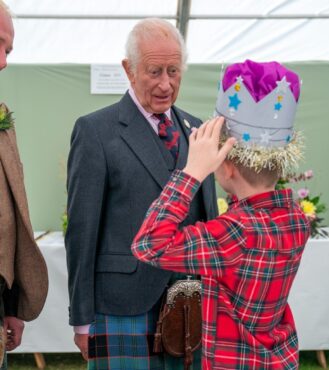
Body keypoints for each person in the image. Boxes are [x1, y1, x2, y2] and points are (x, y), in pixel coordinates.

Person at [132, 60, 311, 369]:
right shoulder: (295, 218)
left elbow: (148, 244)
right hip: (280, 360)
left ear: (225, 165)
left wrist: (191, 172)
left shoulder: (234, 232)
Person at [65, 18, 217, 369]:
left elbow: (208, 217)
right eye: (154, 72)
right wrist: (82, 317)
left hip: (190, 304)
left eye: (174, 71)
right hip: (120, 305)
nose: (166, 84)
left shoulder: (198, 131)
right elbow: (82, 231)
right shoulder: (96, 131)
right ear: (128, 70)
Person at [0, 1, 48, 369]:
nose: (3, 61)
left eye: (9, 50)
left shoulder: (3, 119)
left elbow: (11, 216)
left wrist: (10, 307)